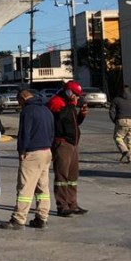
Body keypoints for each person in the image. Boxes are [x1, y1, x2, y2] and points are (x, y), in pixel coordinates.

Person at [0, 89, 53, 230]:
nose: (20, 104)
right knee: (43, 187)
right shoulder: (46, 110)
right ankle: (42, 218)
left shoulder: (28, 111)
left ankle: (18, 219)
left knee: (25, 187)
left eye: (19, 101)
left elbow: (24, 133)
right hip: (46, 151)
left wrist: (22, 151)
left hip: (32, 153)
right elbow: (52, 131)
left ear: (23, 97)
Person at [48, 81, 88, 217]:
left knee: (72, 176)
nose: (77, 98)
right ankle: (62, 205)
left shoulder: (69, 105)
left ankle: (72, 203)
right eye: (76, 95)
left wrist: (81, 115)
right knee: (61, 176)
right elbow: (60, 119)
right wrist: (71, 105)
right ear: (69, 92)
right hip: (62, 143)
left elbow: (72, 123)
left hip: (73, 143)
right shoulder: (56, 102)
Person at [109, 84, 131, 163]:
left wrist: (115, 121)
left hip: (121, 121)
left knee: (118, 137)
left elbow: (111, 112)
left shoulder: (116, 100)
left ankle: (124, 150)